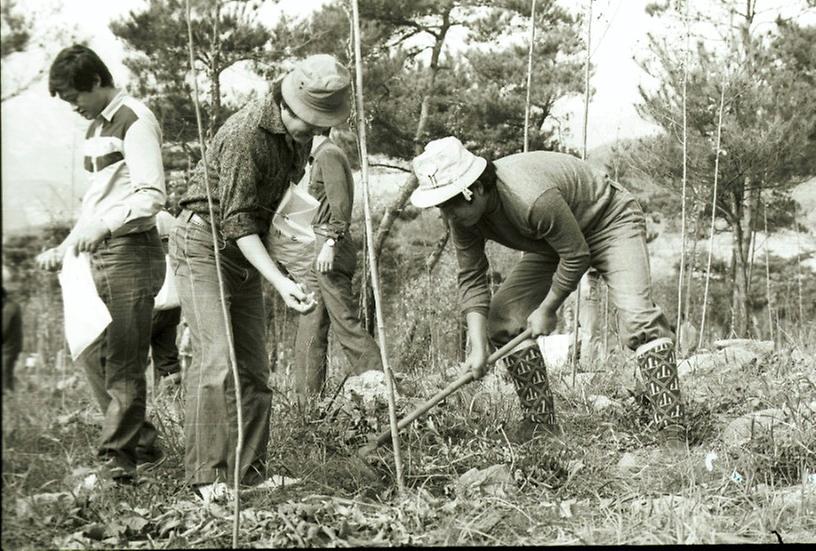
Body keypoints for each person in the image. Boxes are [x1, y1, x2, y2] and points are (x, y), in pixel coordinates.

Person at [410, 136, 686, 446]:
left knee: (638, 318)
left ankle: (672, 426)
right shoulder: (463, 220)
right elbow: (472, 277)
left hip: (610, 221)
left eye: (451, 206)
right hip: (554, 243)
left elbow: (578, 256)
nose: (448, 216)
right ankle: (541, 426)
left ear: (477, 189)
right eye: (441, 208)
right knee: (502, 319)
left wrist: (547, 308)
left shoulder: (530, 198)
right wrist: (477, 346)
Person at [169, 54, 351, 502]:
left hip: (245, 251)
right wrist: (280, 282)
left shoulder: (298, 138)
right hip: (202, 243)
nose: (314, 134)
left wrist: (292, 265)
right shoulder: (245, 134)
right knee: (217, 357)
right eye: (309, 124)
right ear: (286, 104)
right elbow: (238, 222)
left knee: (253, 365)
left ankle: (247, 472)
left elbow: (274, 212)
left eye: (320, 125)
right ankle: (207, 478)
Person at [35, 45, 167, 481]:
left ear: (95, 81)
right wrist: (67, 244)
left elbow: (151, 195)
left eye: (75, 95)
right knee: (91, 351)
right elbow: (96, 202)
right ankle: (142, 442)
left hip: (132, 252)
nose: (73, 106)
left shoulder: (135, 119)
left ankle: (118, 462)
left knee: (124, 360)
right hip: (101, 253)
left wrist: (105, 227)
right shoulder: (95, 129)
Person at [292, 130, 382, 398]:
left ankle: (382, 391)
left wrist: (330, 243)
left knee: (345, 323)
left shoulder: (329, 154)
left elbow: (340, 206)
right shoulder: (316, 156)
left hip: (328, 246)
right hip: (315, 245)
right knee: (310, 326)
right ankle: (307, 409)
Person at [151, 210, 182, 386]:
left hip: (152, 304)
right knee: (168, 357)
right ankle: (174, 406)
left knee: (129, 355)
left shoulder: (146, 216)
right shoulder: (170, 218)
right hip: (172, 305)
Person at [2, 265, 23, 393]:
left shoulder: (10, 307)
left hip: (7, 350)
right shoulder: (10, 306)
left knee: (5, 382)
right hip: (9, 349)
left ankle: (12, 407)